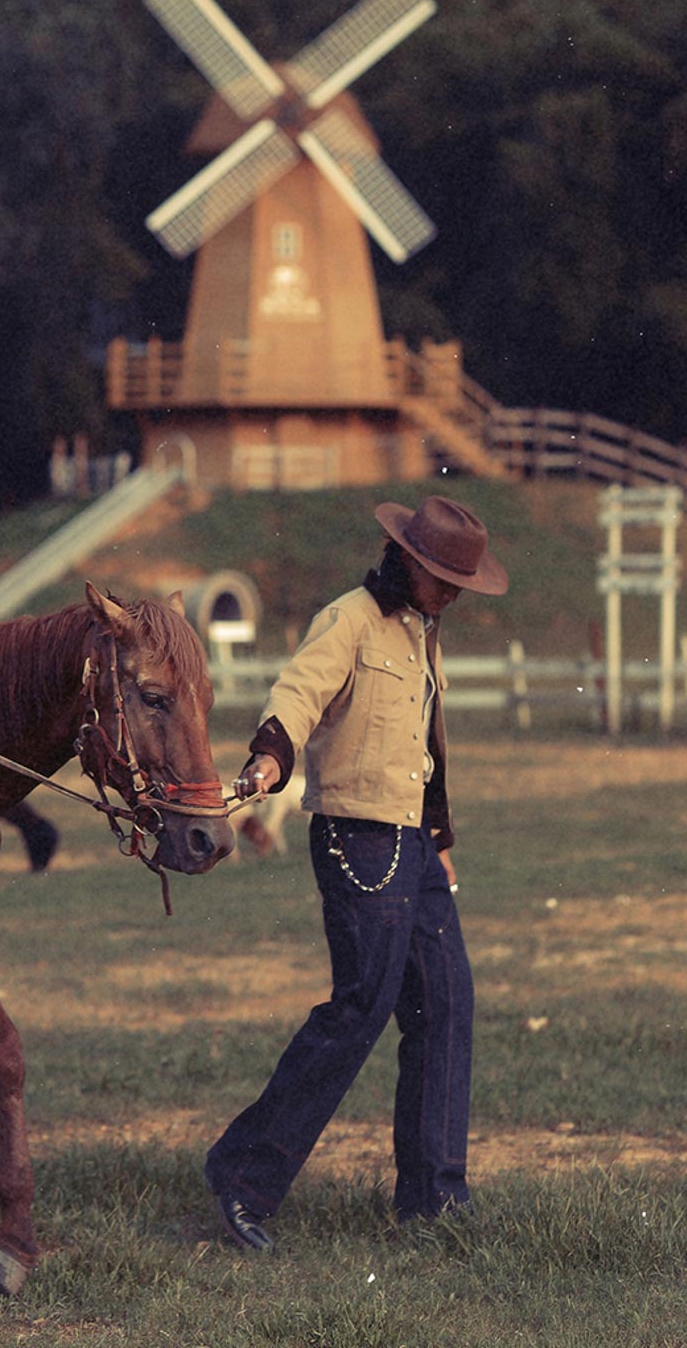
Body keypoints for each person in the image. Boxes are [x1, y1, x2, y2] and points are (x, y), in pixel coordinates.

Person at [206, 495, 508, 1250]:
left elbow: (423, 737)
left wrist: (438, 835)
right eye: (441, 578)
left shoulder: (420, 632)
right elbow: (296, 694)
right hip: (356, 840)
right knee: (359, 1010)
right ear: (405, 558)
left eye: (456, 584)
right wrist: (268, 758)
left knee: (447, 1005)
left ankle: (433, 1201)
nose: (449, 595)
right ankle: (241, 1177)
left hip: (413, 844)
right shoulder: (347, 619)